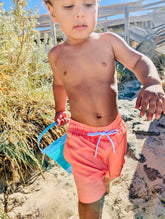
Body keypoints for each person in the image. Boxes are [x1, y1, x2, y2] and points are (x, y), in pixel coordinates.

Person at [44, 0, 165, 218]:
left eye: (89, 4)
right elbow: (59, 84)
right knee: (89, 199)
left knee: (111, 174)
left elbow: (138, 61)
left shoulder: (108, 42)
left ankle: (105, 183)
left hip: (114, 134)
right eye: (69, 6)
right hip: (81, 139)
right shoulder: (56, 55)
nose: (81, 14)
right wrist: (60, 110)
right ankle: (94, 194)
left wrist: (151, 82)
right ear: (52, 12)